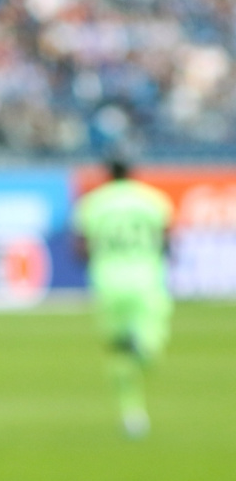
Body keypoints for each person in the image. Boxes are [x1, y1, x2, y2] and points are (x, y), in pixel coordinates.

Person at [72, 156, 174, 439]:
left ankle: (132, 414)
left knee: (117, 351)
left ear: (107, 174)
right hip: (146, 279)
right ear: (132, 173)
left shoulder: (92, 203)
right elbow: (167, 241)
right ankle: (142, 347)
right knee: (150, 345)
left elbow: (80, 249)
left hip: (108, 282)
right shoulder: (152, 200)